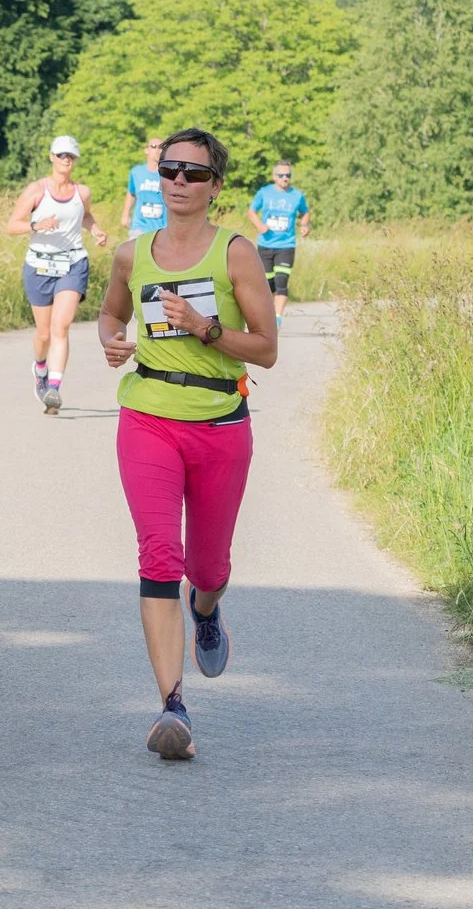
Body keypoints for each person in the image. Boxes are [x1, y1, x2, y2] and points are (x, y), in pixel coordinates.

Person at [96, 127, 280, 761]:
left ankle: (207, 608)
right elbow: (110, 313)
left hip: (221, 425)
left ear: (214, 187)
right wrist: (112, 339)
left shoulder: (235, 255)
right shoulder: (130, 253)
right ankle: (172, 705)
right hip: (147, 413)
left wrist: (205, 328)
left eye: (194, 174)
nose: (178, 181)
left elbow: (267, 349)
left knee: (207, 568)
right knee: (157, 555)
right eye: (170, 170)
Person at [8, 134, 106, 415]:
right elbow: (12, 225)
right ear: (51, 157)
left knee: (60, 327)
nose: (66, 160)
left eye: (71, 156)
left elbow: (85, 215)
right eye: (61, 155)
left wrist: (95, 230)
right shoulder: (36, 190)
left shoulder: (82, 192)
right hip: (39, 265)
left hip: (73, 262)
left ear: (75, 160)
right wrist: (36, 225)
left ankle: (54, 388)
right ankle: (40, 368)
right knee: (43, 333)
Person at [248, 160, 308, 316]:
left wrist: (305, 225)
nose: (285, 178)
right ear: (274, 176)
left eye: (288, 175)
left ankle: (278, 318)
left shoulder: (297, 195)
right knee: (268, 284)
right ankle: (271, 312)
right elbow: (252, 212)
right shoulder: (264, 192)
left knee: (282, 281)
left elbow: (305, 213)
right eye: (281, 175)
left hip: (286, 245)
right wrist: (260, 226)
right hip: (265, 244)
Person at [122, 136, 168, 239]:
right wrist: (125, 214)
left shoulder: (168, 175)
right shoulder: (136, 172)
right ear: (146, 150)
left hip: (161, 228)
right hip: (139, 227)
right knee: (134, 253)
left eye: (161, 147)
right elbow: (131, 193)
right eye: (153, 146)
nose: (157, 150)